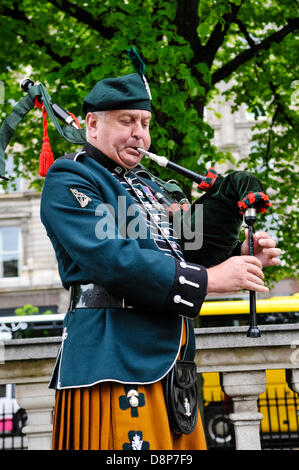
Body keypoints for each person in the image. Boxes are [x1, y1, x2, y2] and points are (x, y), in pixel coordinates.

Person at [40, 72, 281, 451]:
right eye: (127, 121)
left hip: (173, 366)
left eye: (145, 123)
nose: (140, 133)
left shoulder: (149, 186)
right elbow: (114, 260)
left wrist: (240, 254)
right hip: (112, 361)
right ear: (92, 124)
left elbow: (186, 250)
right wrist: (212, 280)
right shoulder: (72, 177)